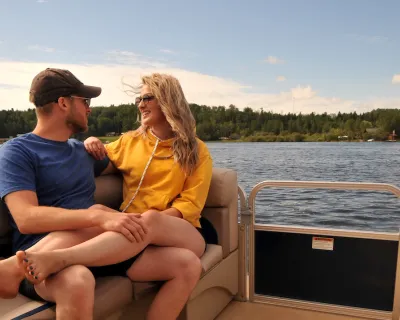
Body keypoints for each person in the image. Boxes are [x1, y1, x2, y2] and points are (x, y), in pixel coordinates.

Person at [0, 69, 205, 320]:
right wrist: (98, 218)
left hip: (97, 243)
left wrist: (92, 143)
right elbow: (26, 218)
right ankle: (18, 268)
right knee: (78, 279)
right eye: (85, 101)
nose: (90, 109)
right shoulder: (16, 152)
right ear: (63, 103)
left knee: (186, 263)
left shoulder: (83, 152)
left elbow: (126, 162)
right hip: (35, 256)